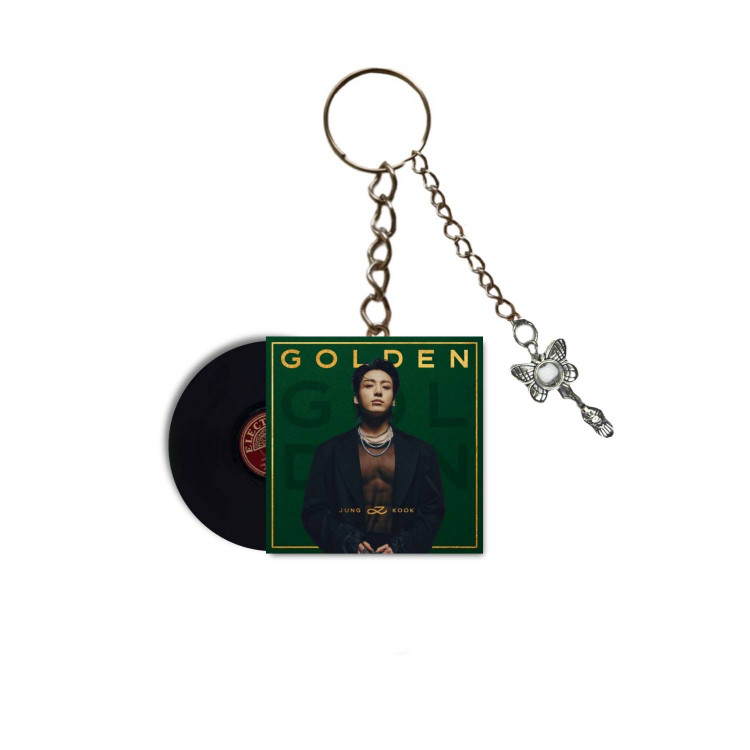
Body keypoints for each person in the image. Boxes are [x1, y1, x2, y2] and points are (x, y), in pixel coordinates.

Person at [301, 358, 445, 553]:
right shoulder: (329, 452)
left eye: (386, 387)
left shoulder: (422, 452)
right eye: (369, 385)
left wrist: (402, 546)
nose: (378, 392)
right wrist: (347, 541)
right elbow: (313, 512)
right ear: (356, 397)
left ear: (393, 399)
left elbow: (433, 510)